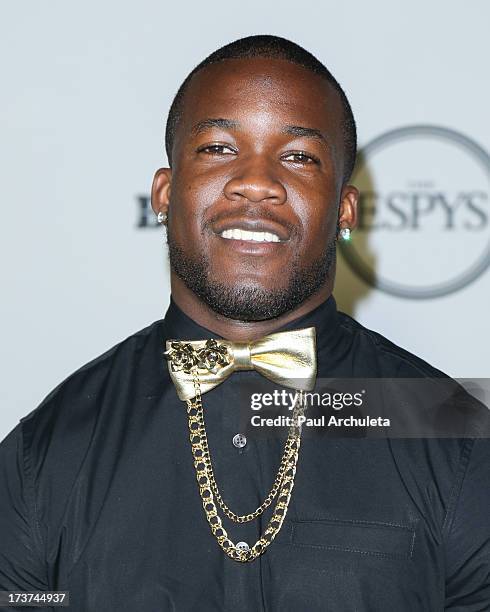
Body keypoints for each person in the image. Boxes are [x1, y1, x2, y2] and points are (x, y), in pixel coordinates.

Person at [0, 35, 488, 612]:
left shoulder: (452, 436)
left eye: (299, 156)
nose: (256, 182)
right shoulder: (47, 453)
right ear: (163, 193)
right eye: (218, 148)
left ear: (345, 209)